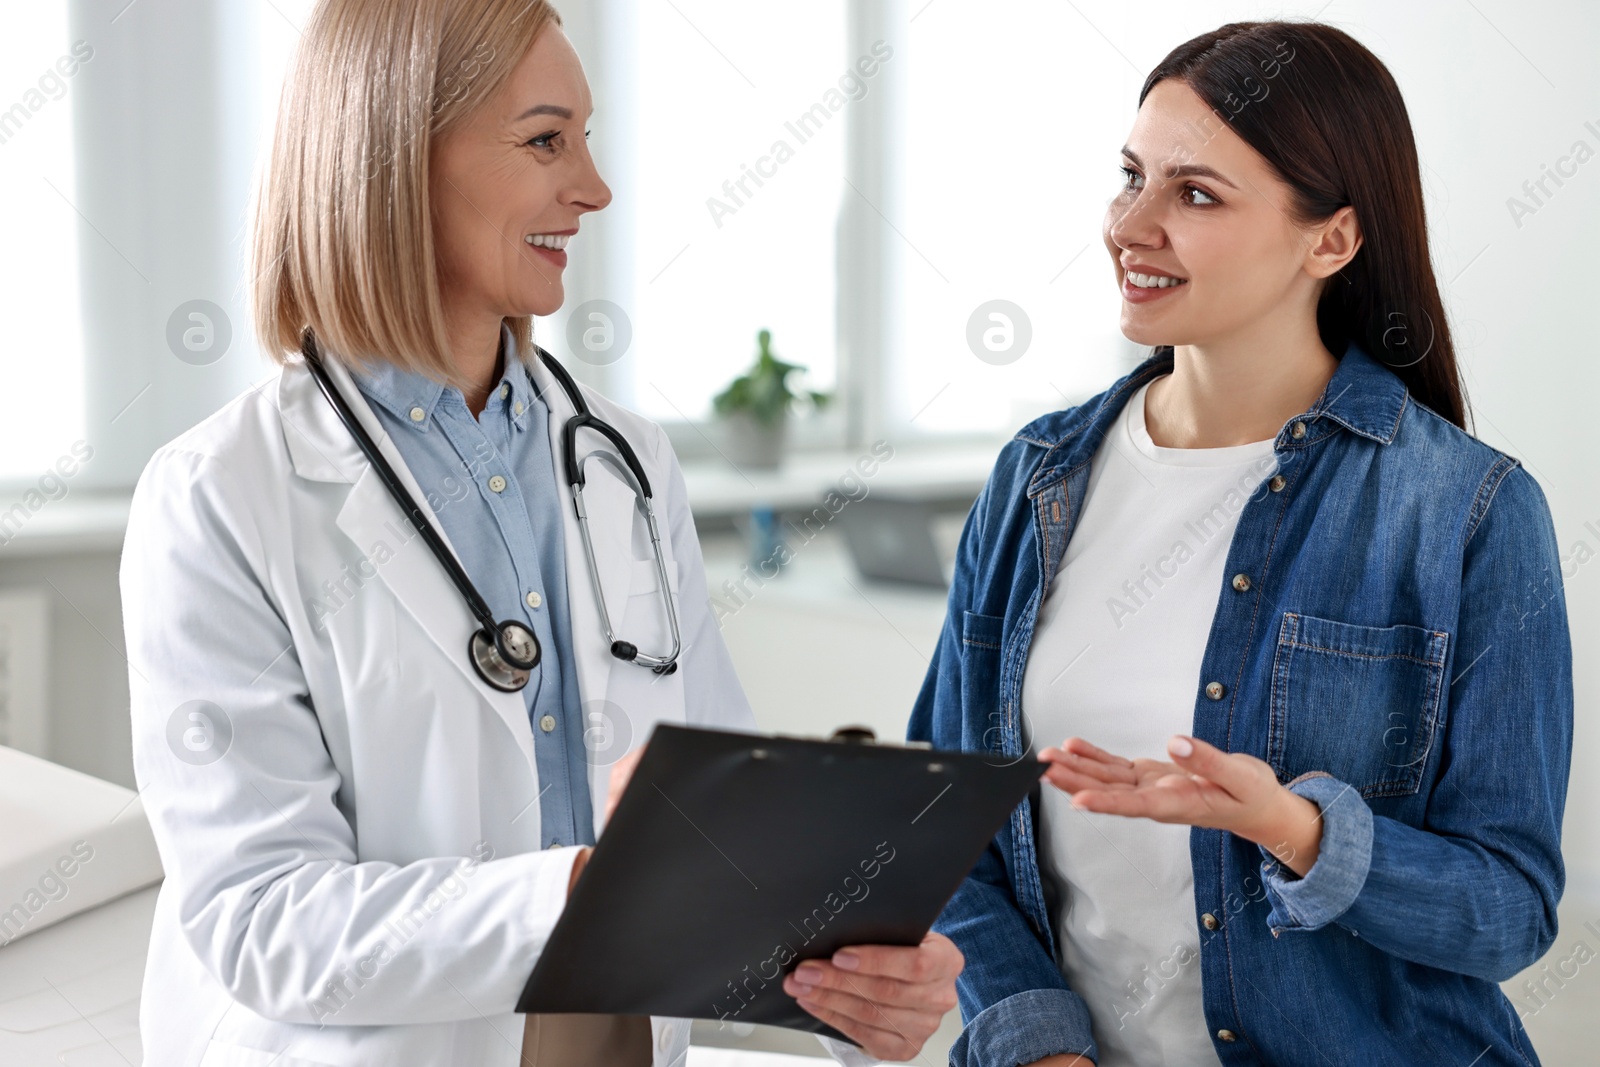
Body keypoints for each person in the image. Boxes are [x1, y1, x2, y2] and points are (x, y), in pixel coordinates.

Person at [120, 2, 959, 1064]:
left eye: (588, 138)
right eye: (545, 139)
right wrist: (574, 887)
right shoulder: (219, 493)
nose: (594, 188)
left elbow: (719, 814)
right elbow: (264, 919)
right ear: (394, 158)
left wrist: (847, 965)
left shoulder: (626, 461)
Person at [910, 20, 1572, 1067]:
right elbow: (942, 819)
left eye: (1196, 193)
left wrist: (1298, 832)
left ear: (1331, 239)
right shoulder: (1035, 479)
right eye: (1129, 176)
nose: (1131, 224)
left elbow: (1507, 909)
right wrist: (1040, 1046)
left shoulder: (1468, 512)